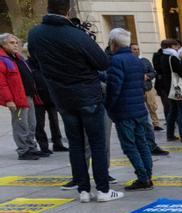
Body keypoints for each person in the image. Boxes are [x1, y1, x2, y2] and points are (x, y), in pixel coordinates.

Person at [27, 0, 123, 202]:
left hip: (61, 97)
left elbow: (35, 62)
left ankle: (83, 190)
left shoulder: (35, 34)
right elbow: (102, 62)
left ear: (48, 9)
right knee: (97, 143)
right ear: (68, 10)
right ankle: (103, 189)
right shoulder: (77, 35)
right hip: (87, 94)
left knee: (76, 144)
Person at [105, 28, 153, 190]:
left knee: (129, 146)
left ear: (113, 43)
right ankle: (148, 175)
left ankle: (142, 177)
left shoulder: (116, 61)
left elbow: (114, 87)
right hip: (139, 108)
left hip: (124, 111)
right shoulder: (136, 60)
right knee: (142, 143)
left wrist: (109, 106)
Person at [0, 34, 43, 160]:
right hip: (17, 99)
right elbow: (1, 83)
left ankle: (31, 147)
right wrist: (8, 100)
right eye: (12, 43)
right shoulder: (3, 60)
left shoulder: (18, 57)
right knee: (20, 125)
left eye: (16, 43)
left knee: (31, 124)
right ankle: (23, 151)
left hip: (28, 96)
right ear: (3, 44)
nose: (16, 45)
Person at [156, 39, 182, 143]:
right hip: (178, 87)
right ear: (171, 46)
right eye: (176, 45)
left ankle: (170, 135)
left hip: (170, 87)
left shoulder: (163, 56)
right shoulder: (172, 57)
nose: (178, 47)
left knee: (173, 111)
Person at [27, 52, 67, 153]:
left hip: (51, 97)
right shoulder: (27, 64)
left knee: (54, 121)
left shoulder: (46, 63)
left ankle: (58, 144)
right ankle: (43, 146)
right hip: (37, 98)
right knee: (39, 124)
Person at [132, 42, 162, 131]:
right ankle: (142, 125)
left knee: (152, 106)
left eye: (138, 49)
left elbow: (153, 72)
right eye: (134, 49)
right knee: (139, 109)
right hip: (137, 89)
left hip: (148, 87)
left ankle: (156, 124)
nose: (136, 51)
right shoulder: (129, 62)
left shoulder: (145, 60)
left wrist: (148, 76)